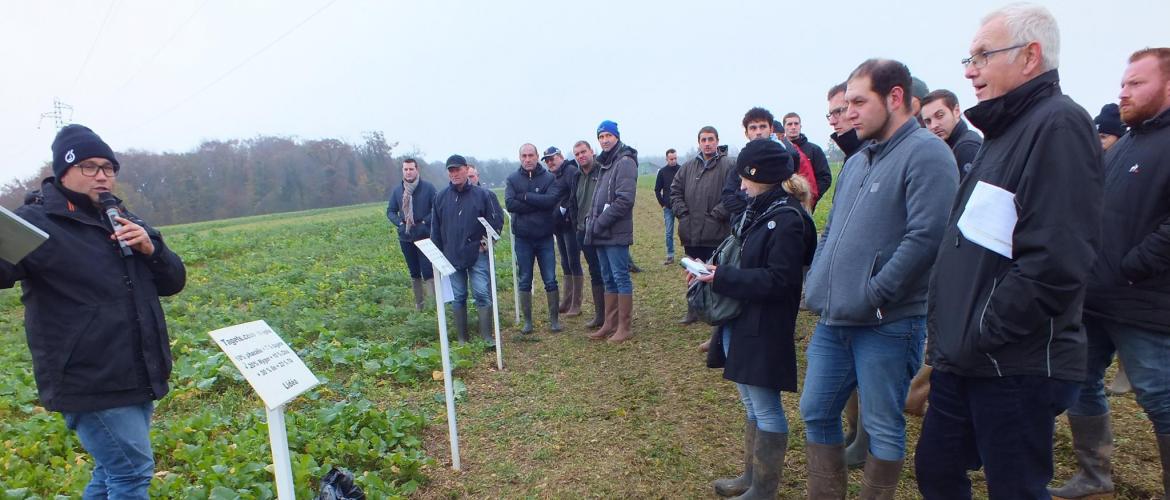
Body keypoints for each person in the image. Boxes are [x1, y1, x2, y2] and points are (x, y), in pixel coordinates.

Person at [916, 5, 1104, 498]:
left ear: (1030, 56)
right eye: (969, 56)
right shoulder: (1003, 133)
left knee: (1015, 488)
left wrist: (983, 329)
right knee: (936, 470)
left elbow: (1056, 259)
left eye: (982, 55)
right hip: (967, 357)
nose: (969, 69)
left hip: (1014, 362)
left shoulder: (1058, 125)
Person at [0, 124, 187, 498]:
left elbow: (173, 281)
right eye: (89, 166)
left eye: (108, 167)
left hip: (137, 367)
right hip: (89, 376)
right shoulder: (35, 223)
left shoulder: (121, 216)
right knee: (131, 472)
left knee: (112, 471)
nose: (102, 175)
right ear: (63, 171)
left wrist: (153, 250)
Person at [800, 58, 958, 499]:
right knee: (816, 410)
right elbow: (833, 229)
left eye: (858, 101)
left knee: (883, 424)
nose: (848, 112)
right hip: (835, 320)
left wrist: (875, 293)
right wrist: (817, 281)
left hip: (889, 322)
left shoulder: (928, 153)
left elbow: (926, 237)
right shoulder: (859, 158)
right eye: (846, 102)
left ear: (894, 98)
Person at [1050, 47, 1170, 500]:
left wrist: (1134, 264)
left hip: (1145, 301)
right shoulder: (1129, 143)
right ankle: (1094, 478)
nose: (1124, 92)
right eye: (1122, 83)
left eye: (1136, 83)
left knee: (1160, 397)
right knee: (1080, 382)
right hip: (1095, 296)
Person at [697, 138, 816, 499]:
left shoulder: (787, 219)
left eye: (744, 177)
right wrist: (715, 270)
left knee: (766, 408)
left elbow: (781, 281)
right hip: (742, 320)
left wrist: (723, 277)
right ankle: (750, 477)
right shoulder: (760, 212)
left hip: (765, 326)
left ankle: (763, 489)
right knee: (750, 403)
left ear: (760, 175)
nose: (740, 185)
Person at [432, 154, 503, 346]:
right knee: (458, 296)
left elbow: (495, 222)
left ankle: (487, 337)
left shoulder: (482, 195)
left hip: (476, 254)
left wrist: (486, 243)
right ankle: (463, 340)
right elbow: (435, 230)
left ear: (466, 169)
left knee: (481, 293)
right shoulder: (440, 198)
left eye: (457, 169)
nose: (454, 173)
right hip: (452, 256)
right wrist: (438, 256)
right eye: (451, 170)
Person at [671, 126, 735, 325]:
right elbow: (674, 191)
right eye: (703, 140)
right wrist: (683, 213)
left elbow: (734, 194)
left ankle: (716, 312)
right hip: (691, 232)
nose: (707, 143)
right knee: (693, 272)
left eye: (710, 139)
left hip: (716, 232)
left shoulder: (729, 165)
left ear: (717, 141)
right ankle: (693, 310)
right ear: (698, 143)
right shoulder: (688, 167)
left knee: (715, 273)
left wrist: (717, 214)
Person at [1090, 103, 1132, 398]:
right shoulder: (1097, 166)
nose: (1099, 142)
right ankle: (1094, 444)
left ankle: (1126, 370)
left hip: (1130, 273)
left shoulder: (1131, 164)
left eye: (1104, 137)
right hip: (1099, 269)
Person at [585, 120, 638, 344]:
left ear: (616, 136)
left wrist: (599, 223)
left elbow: (624, 200)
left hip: (615, 232)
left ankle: (624, 326)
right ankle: (610, 323)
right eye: (601, 137)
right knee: (607, 278)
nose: (605, 140)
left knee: (620, 277)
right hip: (601, 233)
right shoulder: (605, 164)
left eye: (608, 135)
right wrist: (592, 221)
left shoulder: (624, 162)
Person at [505, 144, 563, 335]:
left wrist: (526, 197)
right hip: (523, 239)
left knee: (550, 279)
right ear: (519, 157)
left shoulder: (548, 178)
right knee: (525, 280)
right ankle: (527, 322)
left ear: (537, 156)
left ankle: (554, 320)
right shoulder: (512, 179)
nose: (528, 159)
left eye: (531, 155)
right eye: (524, 156)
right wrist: (537, 201)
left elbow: (550, 201)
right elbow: (510, 204)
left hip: (545, 237)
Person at [386, 158, 437, 310]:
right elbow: (390, 211)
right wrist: (400, 223)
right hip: (406, 237)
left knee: (428, 271)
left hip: (425, 236)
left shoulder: (428, 188)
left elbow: (437, 208)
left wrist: (424, 223)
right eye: (405, 169)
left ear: (417, 170)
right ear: (403, 171)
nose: (408, 172)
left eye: (411, 169)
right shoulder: (398, 190)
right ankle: (419, 305)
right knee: (414, 272)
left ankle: (434, 306)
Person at [571, 140, 607, 330]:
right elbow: (573, 203)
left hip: (601, 230)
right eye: (576, 154)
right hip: (583, 232)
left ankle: (612, 316)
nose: (580, 156)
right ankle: (600, 315)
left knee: (607, 273)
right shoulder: (576, 176)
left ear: (592, 151)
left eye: (583, 152)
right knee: (595, 272)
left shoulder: (603, 171)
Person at [544, 147, 585, 316]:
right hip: (557, 225)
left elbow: (574, 195)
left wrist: (563, 209)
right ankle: (567, 301)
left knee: (574, 261)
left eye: (552, 158)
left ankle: (576, 303)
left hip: (569, 224)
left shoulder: (570, 171)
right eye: (547, 160)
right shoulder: (552, 176)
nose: (550, 162)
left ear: (560, 157)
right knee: (565, 262)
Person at [921, 89, 984, 177]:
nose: (934, 125)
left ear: (956, 111)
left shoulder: (967, 147)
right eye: (928, 121)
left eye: (940, 116)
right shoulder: (947, 148)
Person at [782, 112, 833, 210]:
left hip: (807, 202)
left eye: (796, 124)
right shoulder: (779, 150)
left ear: (800, 126)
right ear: (784, 127)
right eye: (789, 124)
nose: (793, 127)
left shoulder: (814, 150)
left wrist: (812, 196)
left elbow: (825, 177)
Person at [654, 149, 681, 265]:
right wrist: (663, 204)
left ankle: (689, 255)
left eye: (675, 158)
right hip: (668, 208)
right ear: (667, 159)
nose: (674, 161)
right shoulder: (662, 172)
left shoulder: (682, 170)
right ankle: (670, 256)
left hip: (681, 206)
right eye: (671, 159)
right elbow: (657, 189)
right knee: (669, 232)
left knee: (685, 231)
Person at [826, 82, 864, 162]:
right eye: (830, 114)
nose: (831, 122)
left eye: (838, 111)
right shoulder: (852, 155)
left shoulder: (872, 155)